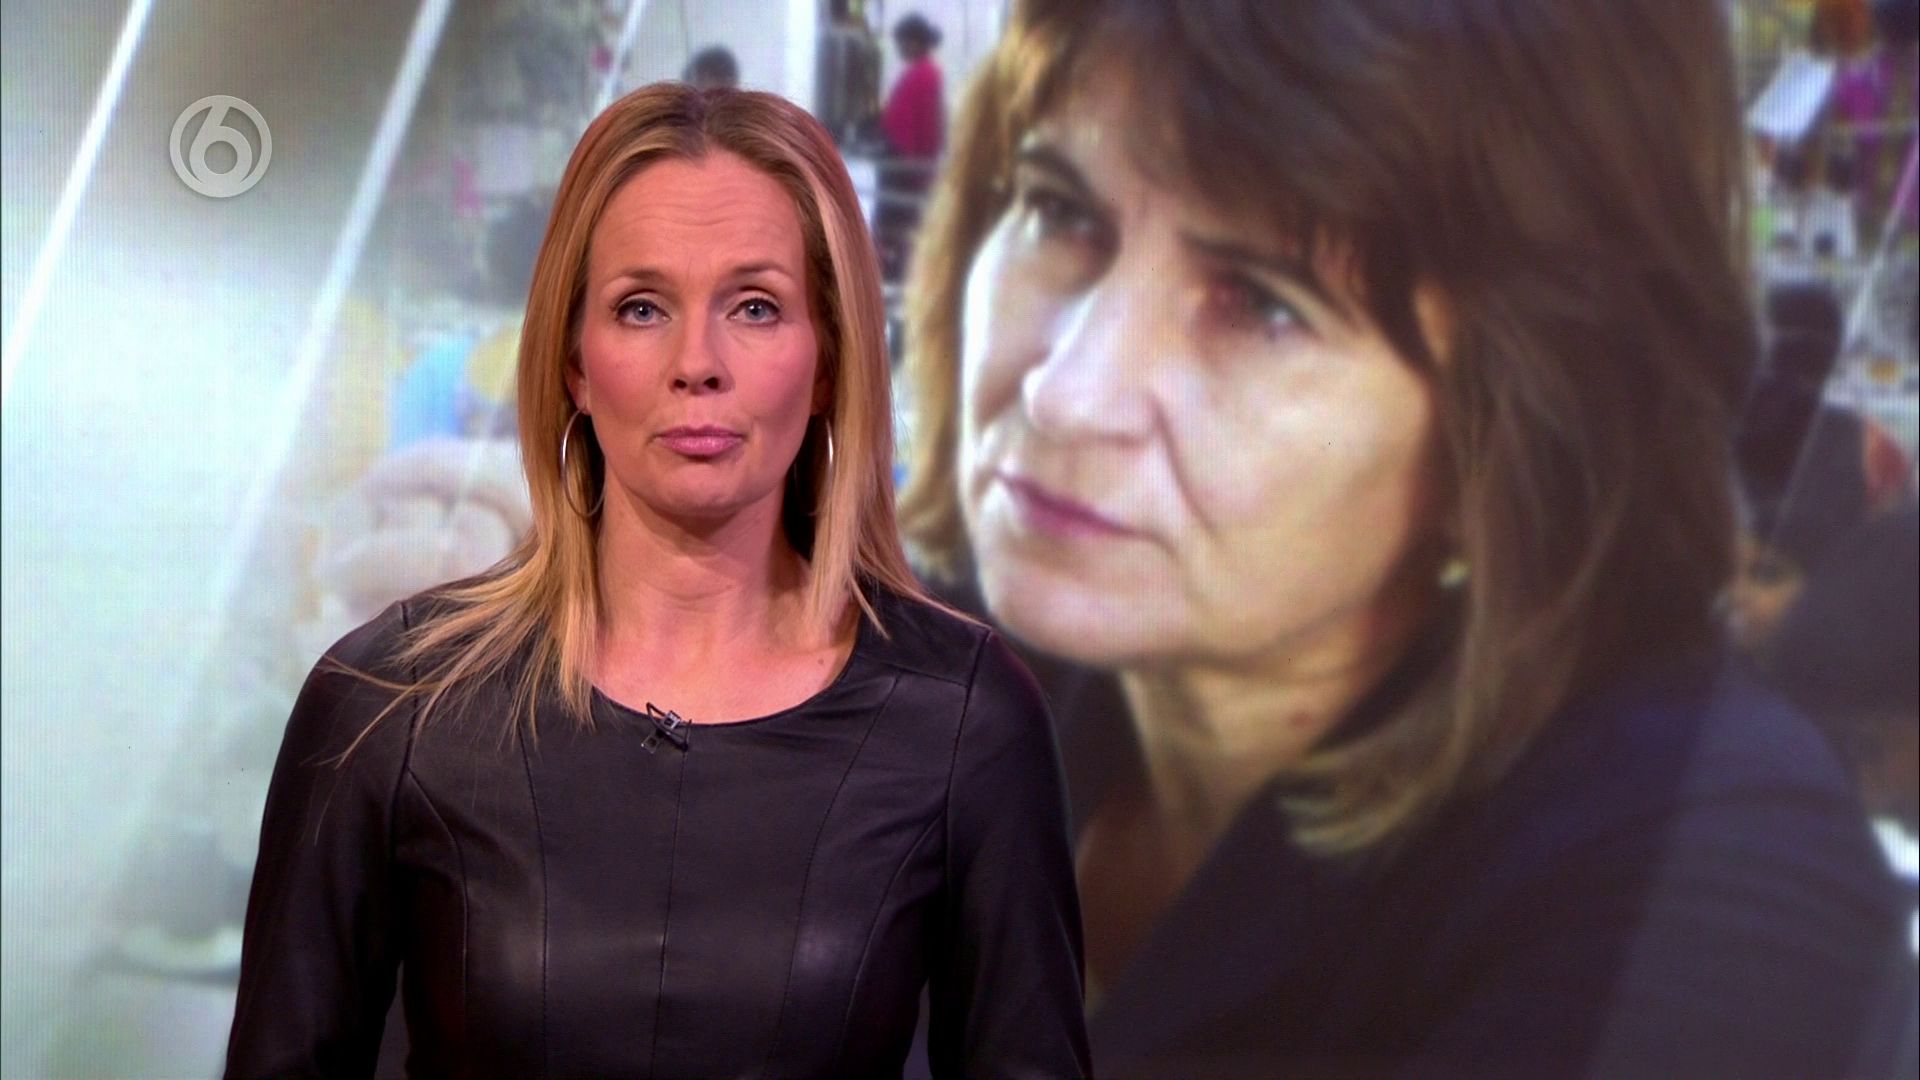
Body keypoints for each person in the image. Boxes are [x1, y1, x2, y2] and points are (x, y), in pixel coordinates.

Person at [898, 1, 1917, 1076]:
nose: (1065, 393)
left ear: (1516, 433)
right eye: (1059, 211)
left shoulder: (1698, 892)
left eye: (1263, 303)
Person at [225, 83, 1089, 1079]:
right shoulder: (390, 703)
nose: (697, 364)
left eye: (755, 307)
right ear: (575, 363)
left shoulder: (965, 719)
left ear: (828, 360)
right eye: (642, 308)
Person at [875, 13, 945, 282]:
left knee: (899, 227)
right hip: (905, 160)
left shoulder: (923, 75)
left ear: (914, 42)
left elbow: (917, 124)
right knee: (898, 227)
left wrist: (911, 163)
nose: (900, 49)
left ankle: (896, 274)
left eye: (902, 42)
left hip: (905, 164)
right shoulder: (922, 73)